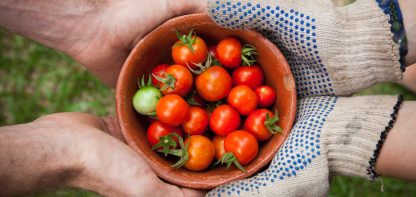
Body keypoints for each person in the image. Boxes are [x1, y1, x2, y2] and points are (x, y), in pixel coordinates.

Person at [0, 0, 415, 196]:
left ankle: (393, 60)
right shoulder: (192, 105)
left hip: (232, 113)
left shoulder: (193, 89)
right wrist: (66, 153)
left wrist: (85, 23)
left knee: (376, 54)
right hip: (229, 119)